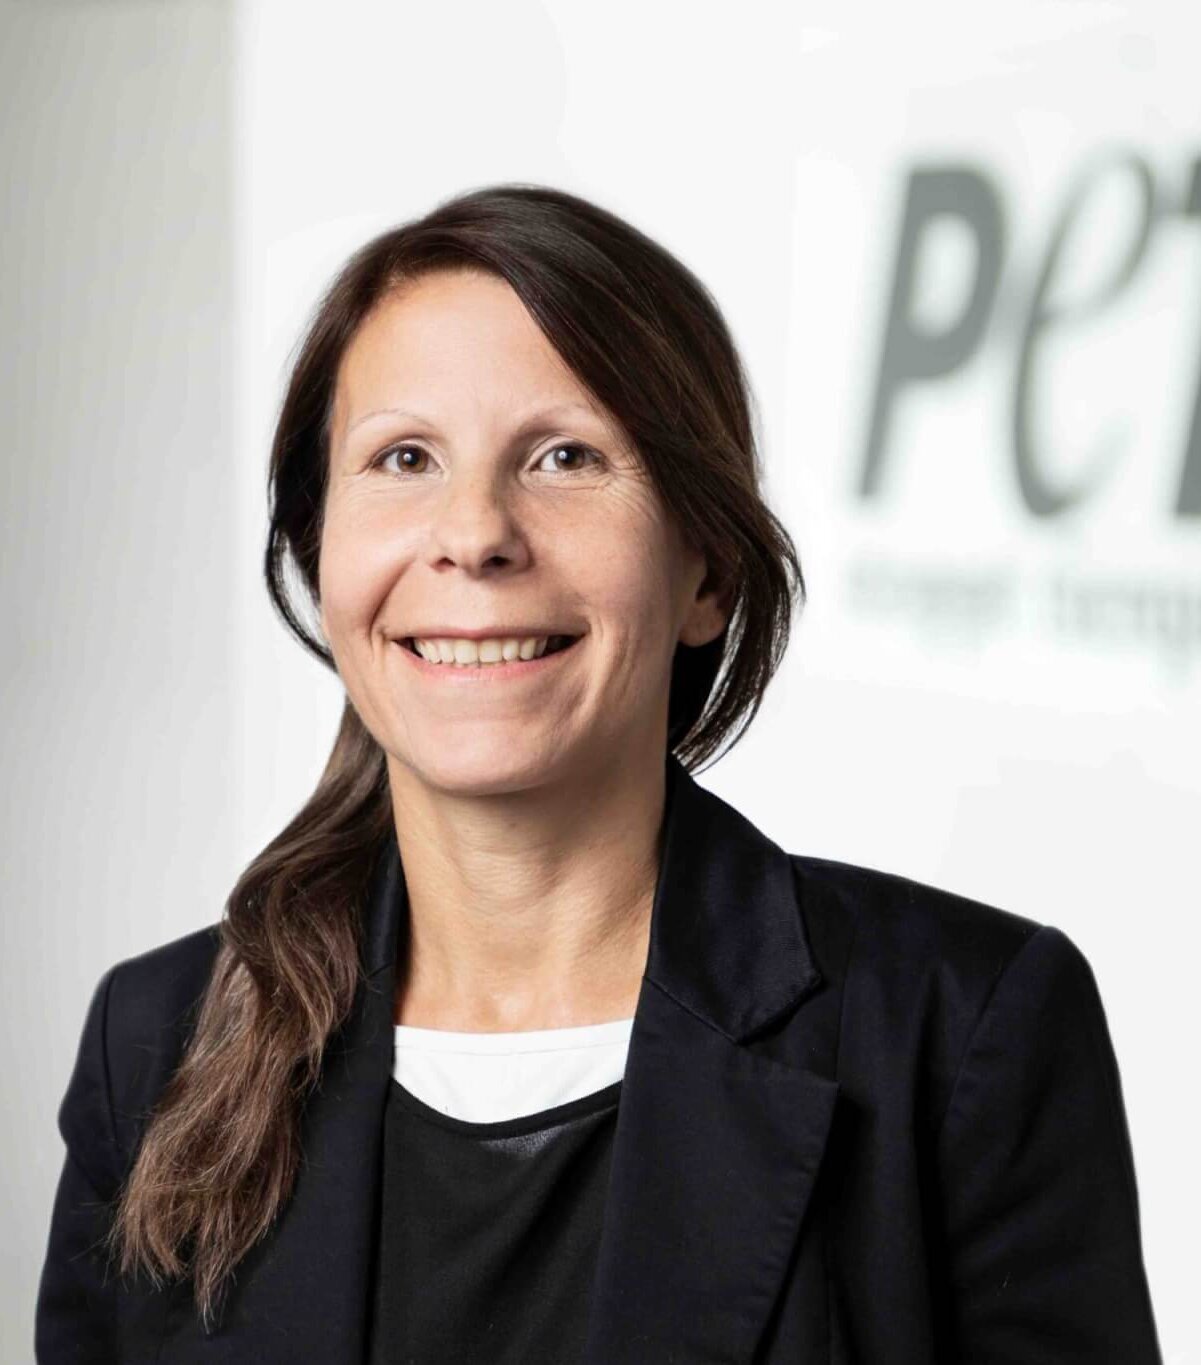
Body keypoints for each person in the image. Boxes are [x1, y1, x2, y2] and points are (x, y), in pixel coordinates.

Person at [35, 184, 1164, 1364]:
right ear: (322, 559)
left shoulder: (960, 1029)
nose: (474, 534)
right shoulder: (153, 1046)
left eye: (565, 456)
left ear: (706, 571)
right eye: (404, 457)